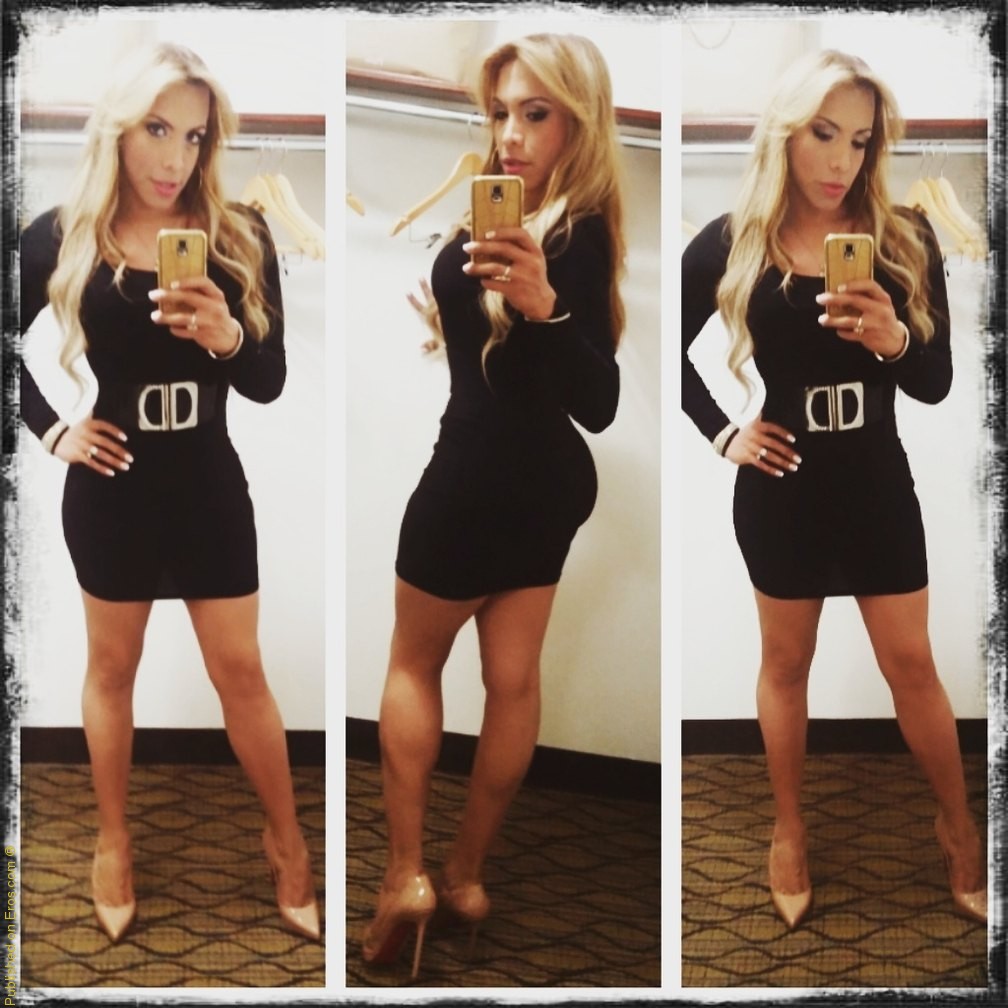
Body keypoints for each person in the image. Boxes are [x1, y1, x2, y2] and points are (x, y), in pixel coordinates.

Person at [19, 42, 319, 943]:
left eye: (193, 136)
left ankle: (287, 841)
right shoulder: (59, 235)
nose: (174, 158)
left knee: (242, 674)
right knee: (113, 672)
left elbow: (268, 381)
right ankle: (112, 841)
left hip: (207, 486)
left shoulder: (240, 234)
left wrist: (228, 337)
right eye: (156, 129)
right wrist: (53, 430)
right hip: (111, 489)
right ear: (118, 128)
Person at [681, 49, 986, 929]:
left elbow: (935, 383)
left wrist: (895, 339)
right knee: (785, 666)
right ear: (786, 132)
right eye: (822, 134)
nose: (840, 160)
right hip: (782, 488)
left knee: (913, 667)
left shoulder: (906, 237)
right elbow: (668, 360)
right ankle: (789, 829)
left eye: (859, 140)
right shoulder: (732, 241)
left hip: (876, 483)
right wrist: (725, 434)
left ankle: (958, 827)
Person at [361, 32, 626, 977]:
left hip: (475, 480)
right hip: (549, 486)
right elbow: (530, 371)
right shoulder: (567, 220)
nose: (510, 134)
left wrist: (546, 305)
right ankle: (467, 880)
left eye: (536, 114)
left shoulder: (570, 237)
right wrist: (455, 319)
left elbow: (601, 400)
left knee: (412, 665)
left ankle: (407, 878)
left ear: (579, 121)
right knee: (513, 682)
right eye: (502, 112)